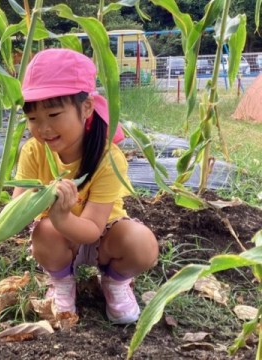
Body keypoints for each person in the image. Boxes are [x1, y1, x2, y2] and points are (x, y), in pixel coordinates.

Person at [13, 48, 159, 324]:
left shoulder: (108, 157)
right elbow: (18, 205)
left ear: (86, 108)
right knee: (43, 231)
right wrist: (21, 208)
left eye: (54, 114)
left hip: (103, 237)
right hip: (58, 241)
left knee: (142, 244)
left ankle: (115, 283)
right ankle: (61, 282)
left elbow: (92, 231)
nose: (43, 128)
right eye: (33, 119)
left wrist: (60, 214)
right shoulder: (33, 152)